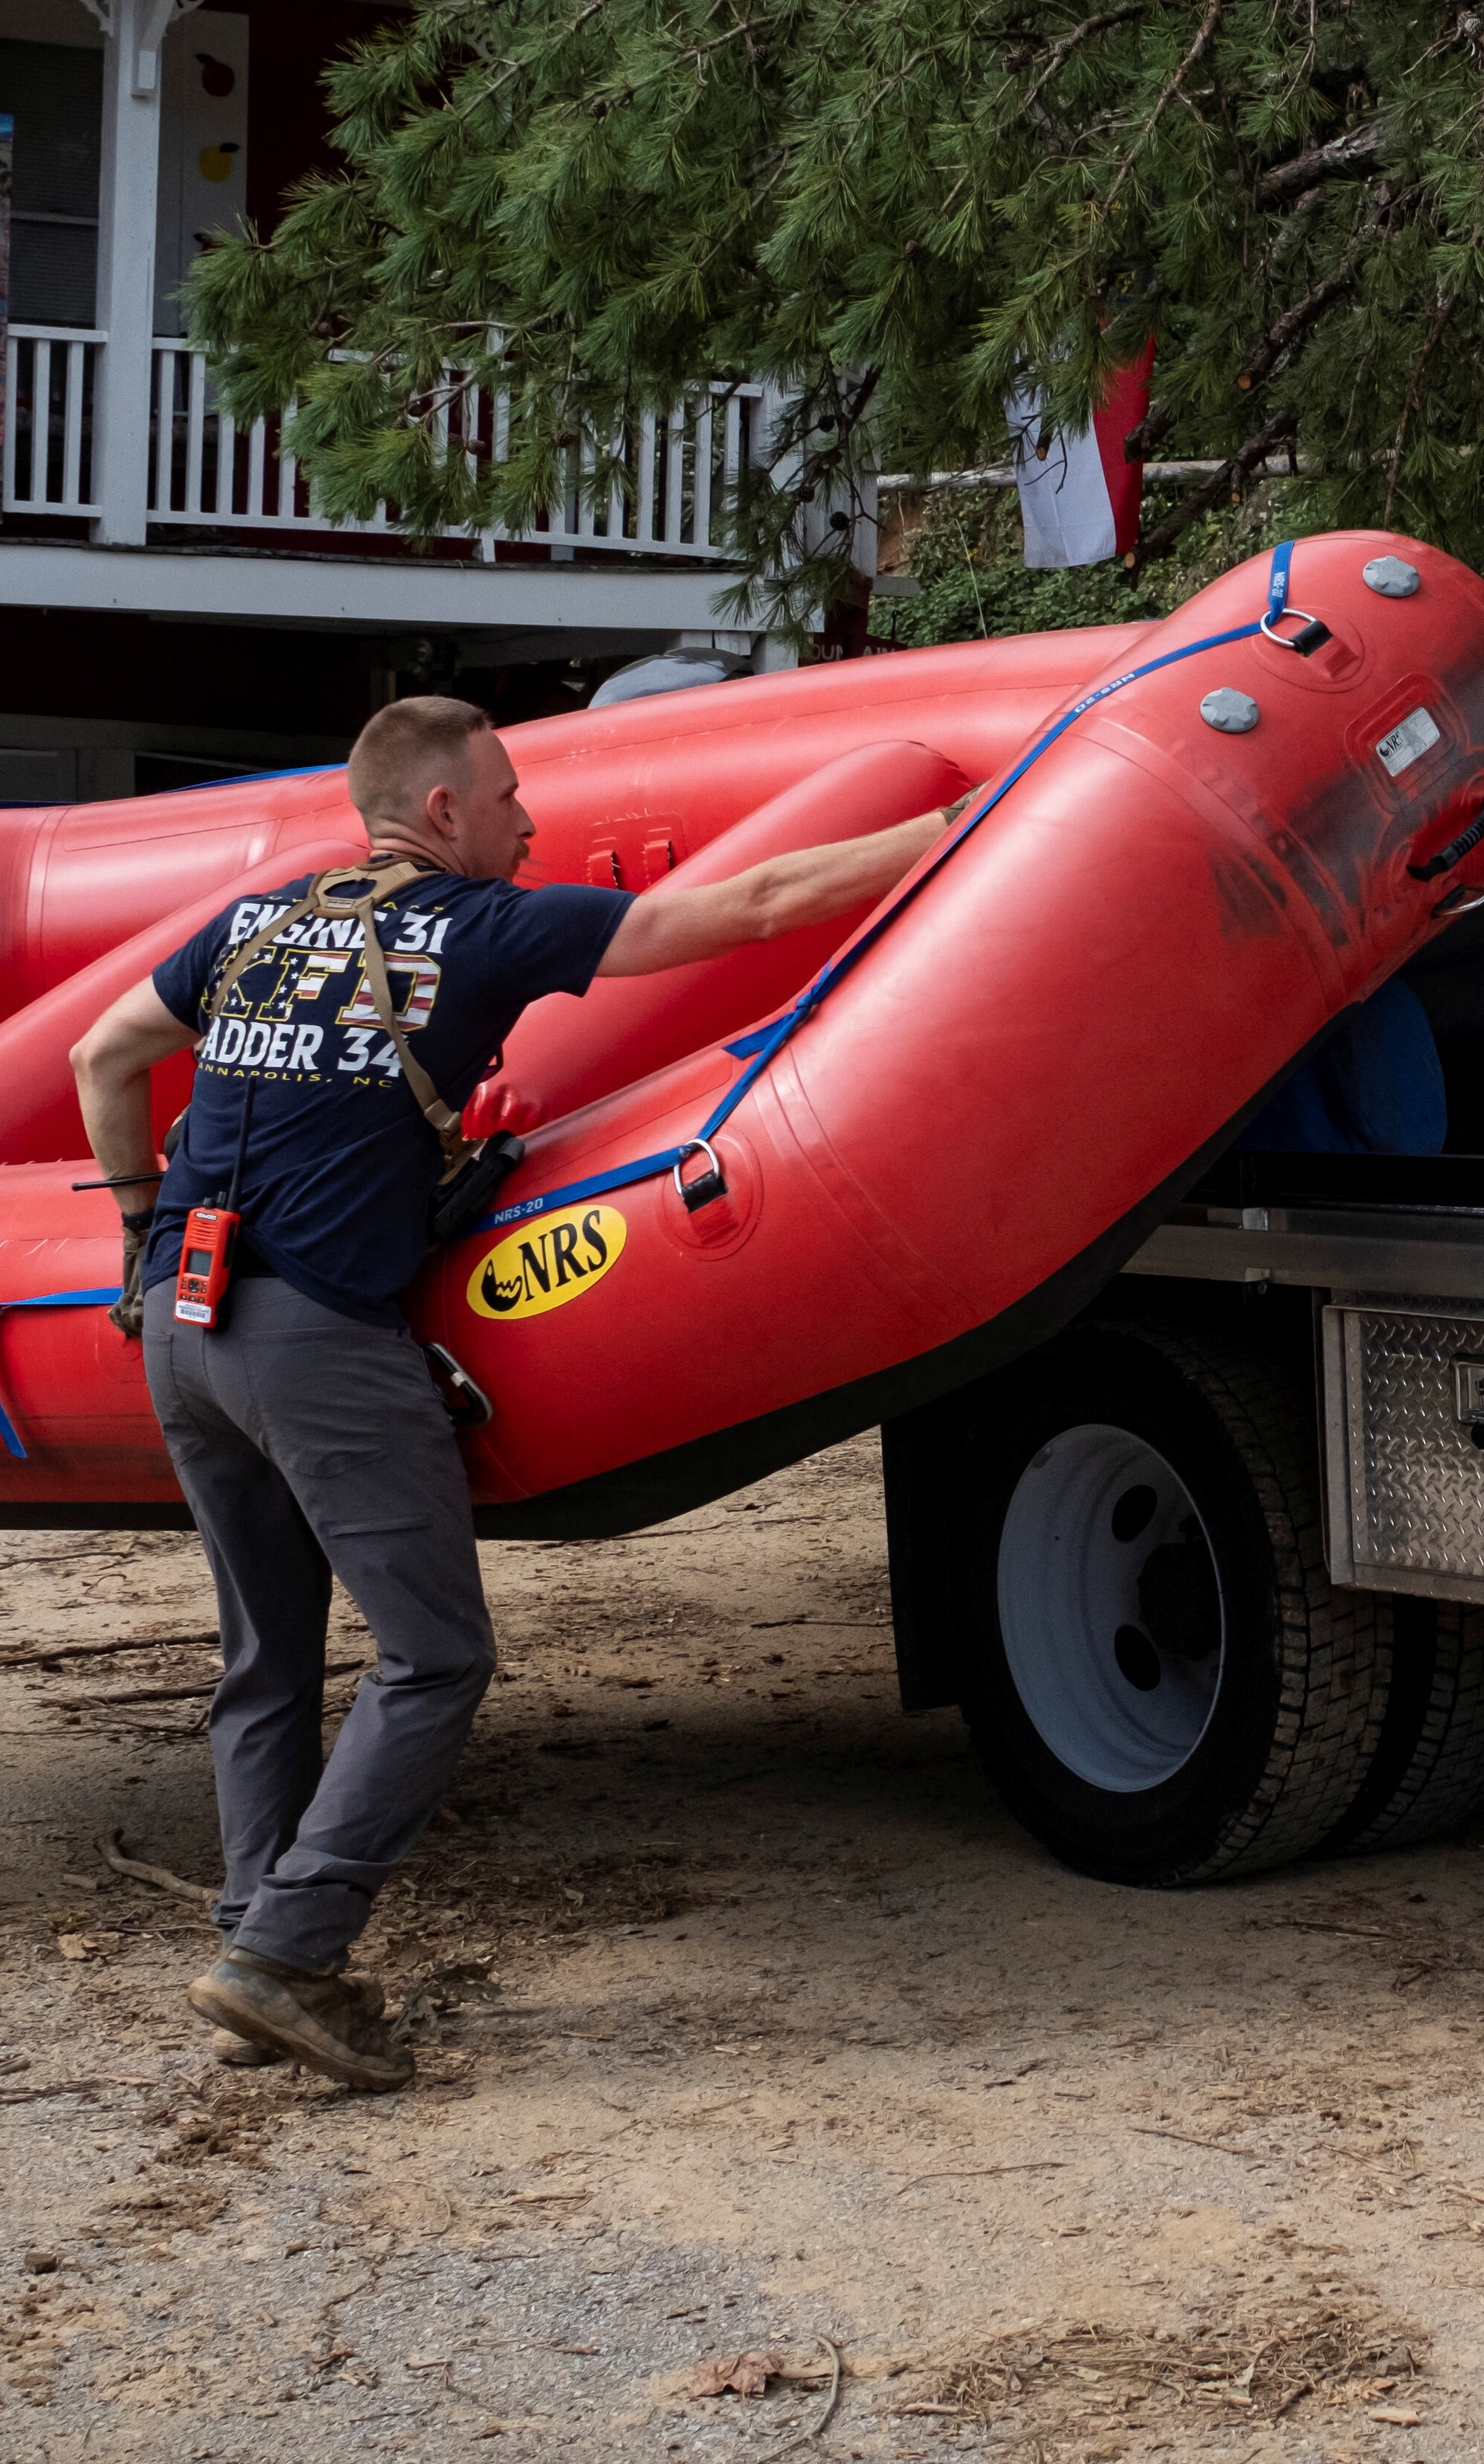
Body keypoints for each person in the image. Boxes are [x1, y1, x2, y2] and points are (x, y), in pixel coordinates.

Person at [68, 695, 951, 2090]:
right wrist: (963, 829)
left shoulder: (256, 925)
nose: (529, 822)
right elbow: (757, 901)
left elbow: (100, 1056)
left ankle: (255, 1940)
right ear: (440, 814)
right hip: (314, 1335)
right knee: (434, 1656)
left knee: (268, 1654)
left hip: (182, 1323)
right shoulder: (486, 924)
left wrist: (134, 1230)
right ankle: (287, 1953)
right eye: (509, 796)